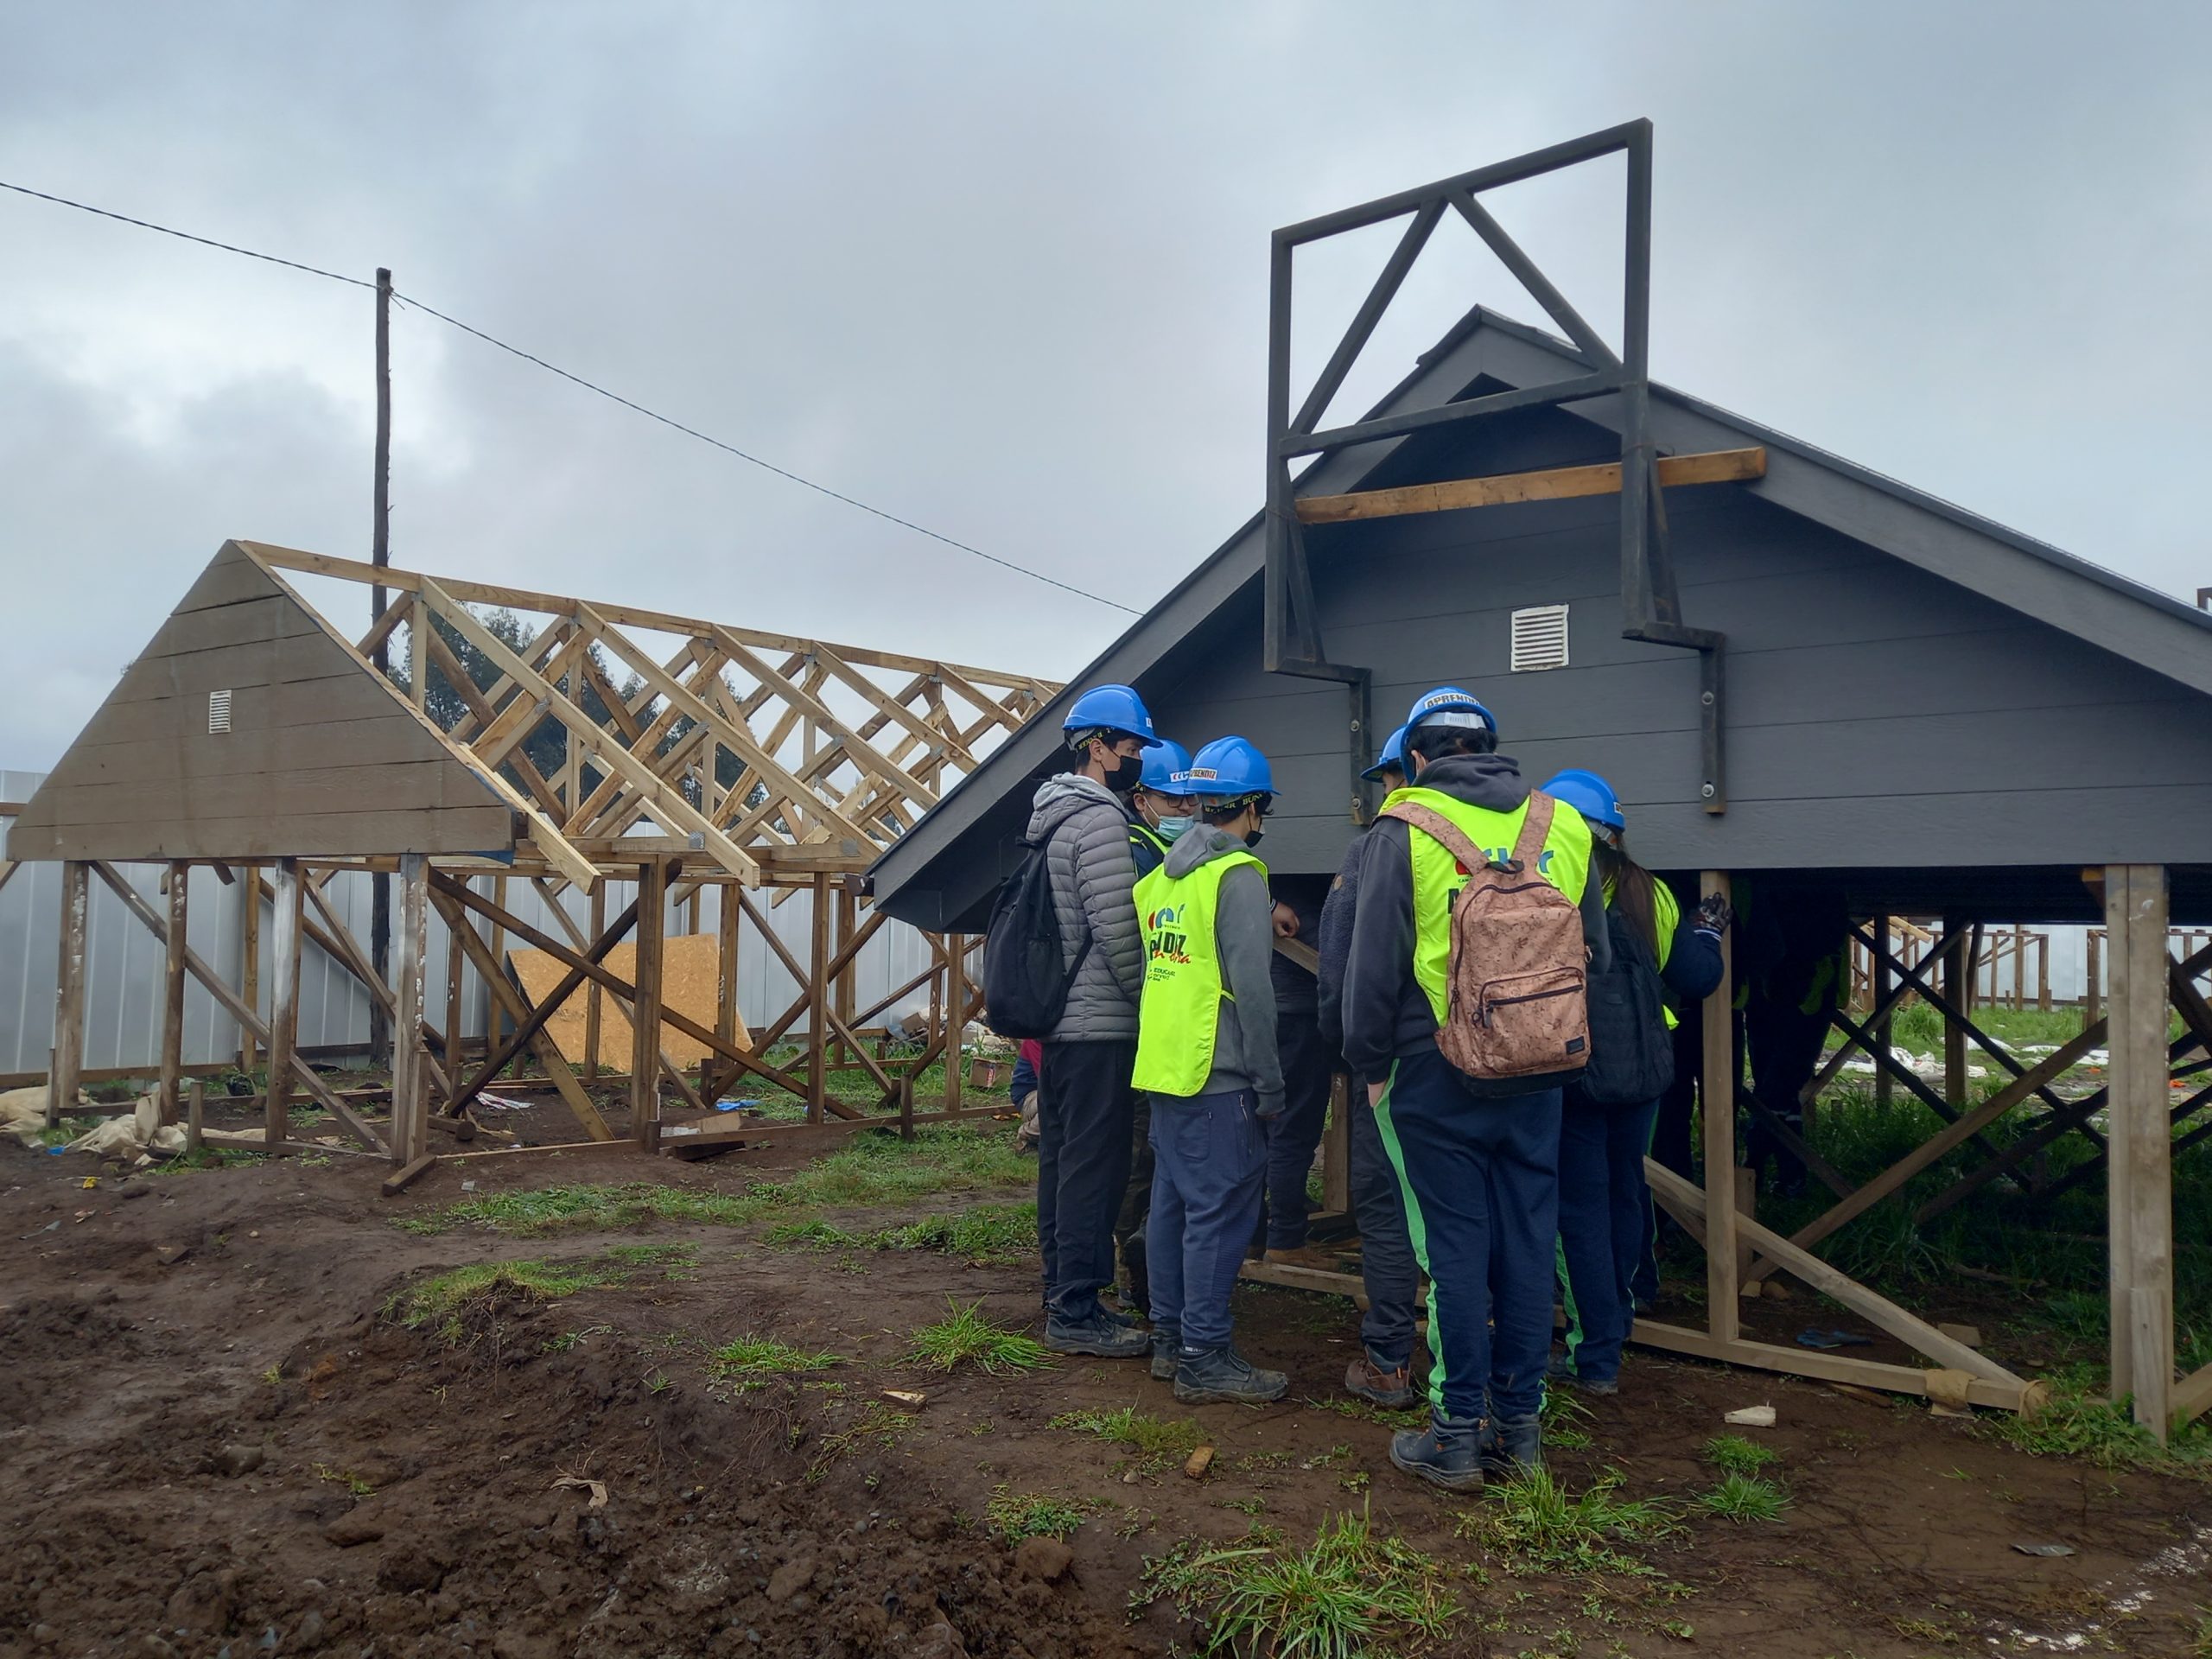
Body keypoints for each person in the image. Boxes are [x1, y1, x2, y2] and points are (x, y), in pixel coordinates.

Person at [1340, 687, 1610, 1491]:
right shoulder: (1562, 822)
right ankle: (1519, 1434)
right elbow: (1591, 947)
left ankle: (1456, 1435)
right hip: (1540, 1068)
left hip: (1438, 1068)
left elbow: (1371, 970)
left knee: (1455, 1252)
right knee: (1529, 1245)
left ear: (1417, 757)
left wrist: (1370, 1069)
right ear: (1492, 746)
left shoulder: (1404, 827)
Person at [1537, 770, 1726, 1396]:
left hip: (1572, 1070)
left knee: (1579, 1210)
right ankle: (1627, 1306)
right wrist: (1707, 932)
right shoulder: (1653, 894)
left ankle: (1596, 1355)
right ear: (1615, 831)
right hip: (1644, 1069)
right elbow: (1697, 978)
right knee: (1625, 1191)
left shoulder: (1546, 883)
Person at [1134, 735, 1289, 1403]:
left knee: (1172, 1208)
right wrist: (1272, 1082)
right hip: (1220, 1072)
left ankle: (1172, 1340)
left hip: (1168, 1067)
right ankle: (1205, 1353)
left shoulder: (1163, 879)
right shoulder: (1239, 878)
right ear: (1251, 808)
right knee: (1221, 1213)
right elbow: (1253, 992)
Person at [1025, 683, 1160, 1359]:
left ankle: (1061, 1290)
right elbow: (1117, 932)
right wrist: (1153, 1003)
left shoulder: (1048, 814)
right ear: (1099, 748)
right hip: (1098, 1024)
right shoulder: (1100, 819)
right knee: (1094, 1166)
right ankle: (1078, 1310)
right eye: (1131, 745)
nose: (1137, 757)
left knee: (1060, 1158)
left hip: (1059, 1023)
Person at [1316, 726, 1421, 1408]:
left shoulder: (1376, 848)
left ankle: (1390, 1360)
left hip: (1399, 1066)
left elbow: (1341, 968)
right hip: (1502, 1062)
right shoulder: (1513, 841)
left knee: (1385, 1209)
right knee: (1474, 1211)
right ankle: (1491, 1369)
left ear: (1398, 774)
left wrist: (1350, 1055)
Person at [1114, 739, 1197, 1314]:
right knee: (1141, 1157)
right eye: (1173, 800)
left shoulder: (1162, 849)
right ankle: (1138, 1277)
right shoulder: (1136, 853)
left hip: (1157, 1030)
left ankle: (1149, 1272)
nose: (1184, 811)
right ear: (1141, 797)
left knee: (1152, 1154)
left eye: (1191, 801)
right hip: (1140, 1028)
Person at [1011, 1039, 1043, 1154]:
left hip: (1047, 1091)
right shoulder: (1034, 1040)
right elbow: (1049, 1080)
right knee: (1058, 1104)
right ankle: (1027, 1135)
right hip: (1028, 1097)